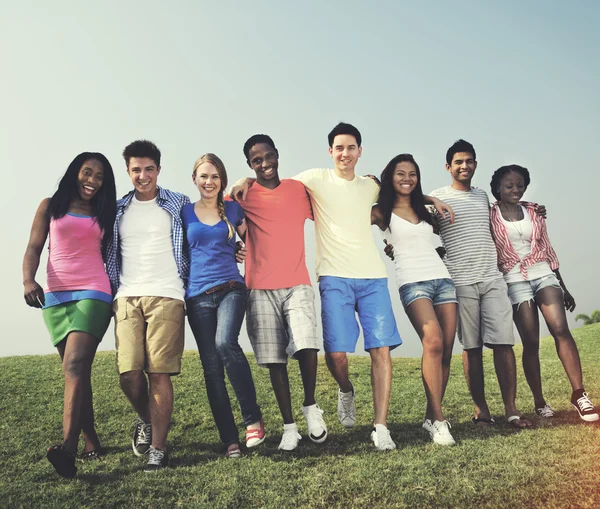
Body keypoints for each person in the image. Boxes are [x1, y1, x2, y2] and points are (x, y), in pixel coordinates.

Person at [233, 123, 452, 450]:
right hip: (333, 277)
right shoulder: (313, 179)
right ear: (330, 151)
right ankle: (345, 389)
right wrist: (244, 180)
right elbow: (270, 182)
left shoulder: (370, 186)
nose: (345, 154)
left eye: (351, 148)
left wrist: (430, 196)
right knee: (336, 356)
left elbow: (400, 192)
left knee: (380, 350)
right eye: (339, 148)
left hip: (373, 277)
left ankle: (380, 426)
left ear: (359, 152)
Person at [23, 152, 116, 478]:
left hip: (94, 291)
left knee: (75, 365)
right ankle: (92, 441)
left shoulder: (106, 211)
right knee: (76, 372)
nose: (92, 181)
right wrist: (28, 279)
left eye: (99, 176)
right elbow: (34, 247)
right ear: (74, 173)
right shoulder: (50, 205)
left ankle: (68, 449)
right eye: (87, 173)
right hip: (56, 297)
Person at [429, 139, 532, 429]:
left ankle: (511, 410)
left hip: (492, 278)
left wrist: (536, 209)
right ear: (448, 166)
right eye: (459, 162)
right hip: (460, 282)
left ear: (475, 164)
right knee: (471, 348)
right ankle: (481, 410)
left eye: (470, 161)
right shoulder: (436, 196)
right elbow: (416, 220)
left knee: (504, 343)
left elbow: (509, 211)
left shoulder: (482, 196)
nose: (465, 166)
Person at [489, 164, 598, 422]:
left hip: (543, 274)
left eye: (520, 185)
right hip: (514, 280)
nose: (515, 190)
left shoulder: (534, 211)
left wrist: (563, 285)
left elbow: (547, 249)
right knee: (531, 342)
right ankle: (539, 401)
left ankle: (579, 394)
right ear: (498, 189)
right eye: (509, 186)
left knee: (561, 329)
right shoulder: (489, 215)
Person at [238, 134, 327, 451]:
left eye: (267, 156)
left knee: (307, 344)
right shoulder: (243, 194)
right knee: (274, 360)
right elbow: (214, 208)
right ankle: (289, 427)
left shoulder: (297, 190)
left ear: (277, 155)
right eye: (256, 161)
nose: (264, 164)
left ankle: (310, 406)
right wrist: (239, 183)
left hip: (297, 282)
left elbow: (331, 210)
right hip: (259, 287)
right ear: (250, 165)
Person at [106, 140, 189, 471]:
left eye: (149, 169)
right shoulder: (116, 209)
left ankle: (158, 448)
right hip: (126, 294)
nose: (143, 175)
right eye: (136, 170)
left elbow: (212, 212)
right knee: (128, 373)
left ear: (159, 168)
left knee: (158, 373)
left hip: (168, 294)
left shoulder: (178, 203)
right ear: (128, 171)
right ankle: (146, 419)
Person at [183, 153, 264, 458]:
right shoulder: (183, 212)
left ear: (222, 181)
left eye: (215, 176)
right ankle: (230, 440)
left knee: (225, 342)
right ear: (195, 179)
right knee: (212, 370)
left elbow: (252, 239)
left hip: (231, 287)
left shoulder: (232, 207)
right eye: (204, 176)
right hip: (197, 297)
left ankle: (252, 418)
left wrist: (241, 249)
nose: (209, 182)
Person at [372, 154, 457, 445]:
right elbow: (348, 215)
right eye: (400, 174)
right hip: (412, 281)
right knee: (432, 340)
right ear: (389, 177)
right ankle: (439, 420)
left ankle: (432, 417)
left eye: (412, 174)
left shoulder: (426, 211)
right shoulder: (381, 211)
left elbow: (434, 242)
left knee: (444, 350)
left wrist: (433, 200)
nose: (407, 179)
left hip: (442, 279)